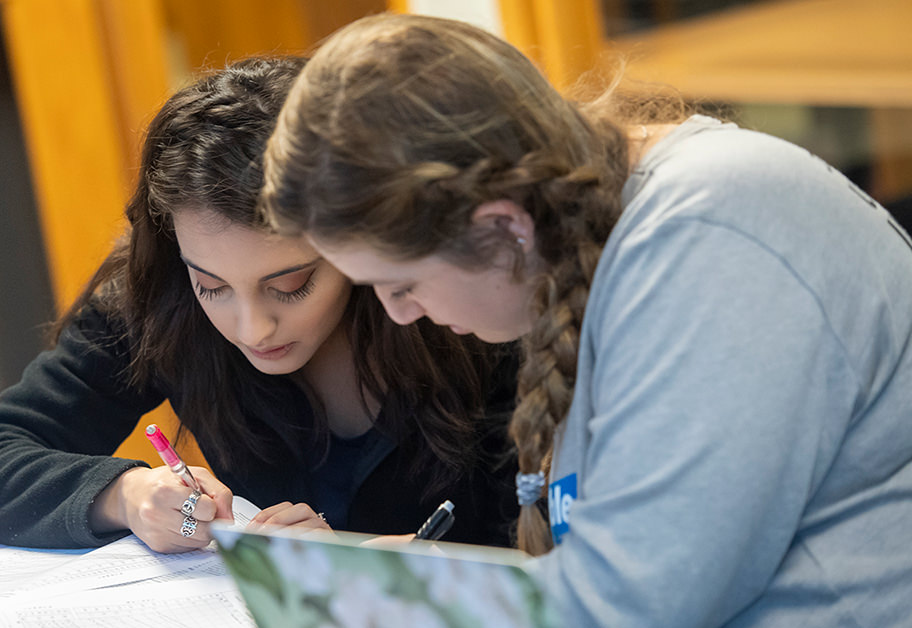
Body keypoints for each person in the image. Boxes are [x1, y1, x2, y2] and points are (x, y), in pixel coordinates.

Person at [260, 13, 912, 628]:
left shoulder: (710, 236)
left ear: (503, 228)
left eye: (401, 284)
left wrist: (410, 602)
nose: (400, 315)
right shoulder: (595, 243)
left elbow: (633, 603)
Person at [0, 56, 520, 555]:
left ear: (352, 238)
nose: (252, 327)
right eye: (212, 286)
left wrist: (378, 564)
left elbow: (563, 552)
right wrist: (126, 495)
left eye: (291, 284)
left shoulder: (465, 309)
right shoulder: (157, 301)